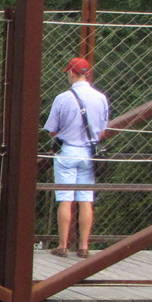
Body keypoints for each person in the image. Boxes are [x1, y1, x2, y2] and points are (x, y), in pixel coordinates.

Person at [43, 56, 109, 259]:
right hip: (89, 153)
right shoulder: (100, 98)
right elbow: (102, 131)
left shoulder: (62, 98)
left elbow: (52, 129)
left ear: (72, 73)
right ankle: (83, 246)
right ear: (87, 74)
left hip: (68, 151)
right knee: (85, 199)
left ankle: (63, 245)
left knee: (65, 199)